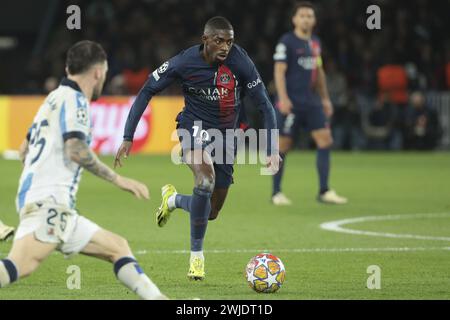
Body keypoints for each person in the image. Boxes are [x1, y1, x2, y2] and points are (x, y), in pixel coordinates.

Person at [115, 16, 280, 281]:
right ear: (205, 40)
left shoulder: (240, 62)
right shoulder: (183, 62)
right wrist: (128, 135)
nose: (225, 46)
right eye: (219, 41)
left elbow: (265, 105)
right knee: (205, 181)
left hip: (227, 137)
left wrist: (271, 148)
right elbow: (147, 89)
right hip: (194, 127)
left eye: (229, 41)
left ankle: (173, 200)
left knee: (211, 212)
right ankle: (196, 258)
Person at [0, 41, 167, 300]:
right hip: (50, 206)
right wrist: (118, 179)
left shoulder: (52, 99)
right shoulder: (76, 101)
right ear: (99, 72)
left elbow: (24, 149)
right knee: (17, 268)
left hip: (54, 206)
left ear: (68, 68)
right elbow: (75, 149)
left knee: (118, 247)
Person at [271, 1, 347, 205]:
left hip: (312, 102)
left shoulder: (315, 42)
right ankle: (276, 193)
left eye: (309, 16)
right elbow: (279, 71)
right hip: (292, 102)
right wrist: (283, 98)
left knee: (325, 140)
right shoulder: (286, 41)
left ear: (314, 20)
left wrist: (325, 98)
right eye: (302, 15)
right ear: (294, 19)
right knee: (283, 145)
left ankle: (324, 190)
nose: (306, 19)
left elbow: (319, 71)